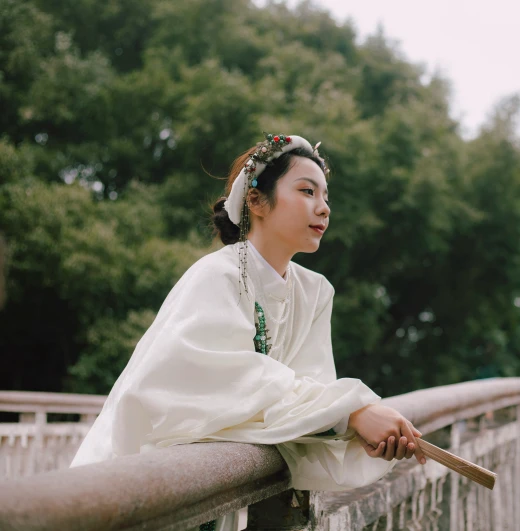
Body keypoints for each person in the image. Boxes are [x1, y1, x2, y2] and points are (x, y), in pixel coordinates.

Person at [70, 133, 427, 531]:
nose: (323, 208)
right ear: (256, 201)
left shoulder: (314, 292)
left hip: (208, 490)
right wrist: (353, 411)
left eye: (326, 196)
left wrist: (350, 419)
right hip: (139, 485)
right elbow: (227, 384)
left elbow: (307, 391)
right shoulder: (215, 276)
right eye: (307, 191)